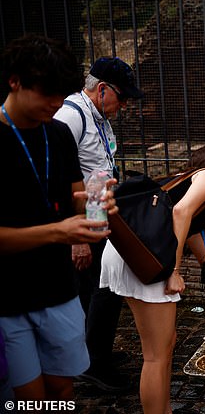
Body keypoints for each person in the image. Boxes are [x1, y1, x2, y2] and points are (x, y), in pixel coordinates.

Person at [0, 34, 118, 402]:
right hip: (9, 299)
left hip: (60, 291)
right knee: (29, 398)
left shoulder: (59, 133)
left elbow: (74, 201)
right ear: (14, 81)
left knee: (62, 390)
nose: (55, 103)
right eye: (46, 93)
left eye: (60, 94)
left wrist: (96, 209)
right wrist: (59, 231)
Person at [100, 145, 205, 414]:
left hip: (125, 251)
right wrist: (174, 271)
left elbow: (194, 239)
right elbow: (180, 214)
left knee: (166, 342)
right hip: (144, 258)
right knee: (156, 355)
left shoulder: (178, 182)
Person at [54, 56, 144, 392]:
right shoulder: (71, 116)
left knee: (100, 289)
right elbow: (64, 180)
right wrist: (78, 237)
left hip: (98, 215)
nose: (123, 106)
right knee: (101, 290)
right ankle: (91, 366)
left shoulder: (99, 117)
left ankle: (95, 355)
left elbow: (96, 168)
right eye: (122, 98)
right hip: (83, 222)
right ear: (102, 89)